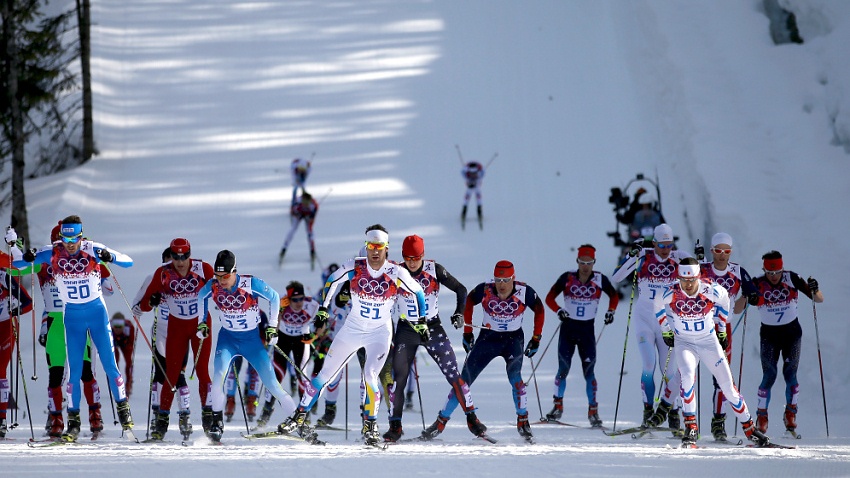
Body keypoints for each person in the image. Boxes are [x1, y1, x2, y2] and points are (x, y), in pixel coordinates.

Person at [277, 225, 426, 446]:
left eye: (379, 247)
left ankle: (371, 426)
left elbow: (418, 292)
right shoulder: (355, 266)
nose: (375, 252)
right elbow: (331, 282)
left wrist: (421, 321)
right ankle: (299, 417)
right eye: (371, 247)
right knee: (324, 374)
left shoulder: (397, 272)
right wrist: (322, 310)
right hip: (353, 329)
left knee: (370, 376)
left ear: (387, 248)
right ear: (366, 247)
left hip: (379, 333)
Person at [18, 215, 135, 441]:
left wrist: (110, 257)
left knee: (110, 366)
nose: (70, 244)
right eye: (65, 238)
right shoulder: (51, 252)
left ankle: (124, 412)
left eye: (74, 238)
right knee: (72, 373)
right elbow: (18, 266)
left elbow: (128, 261)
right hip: (71, 318)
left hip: (96, 315)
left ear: (81, 236)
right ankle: (73, 423)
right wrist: (26, 256)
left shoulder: (92, 249)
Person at [655, 258, 770, 447]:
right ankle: (691, 428)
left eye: (692, 279)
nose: (689, 285)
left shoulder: (711, 289)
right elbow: (657, 305)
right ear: (679, 278)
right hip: (685, 343)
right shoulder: (671, 291)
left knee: (729, 388)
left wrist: (722, 329)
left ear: (699, 277)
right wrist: (666, 329)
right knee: (687, 378)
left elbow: (725, 301)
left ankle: (751, 429)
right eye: (684, 280)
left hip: (709, 343)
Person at [427, 260, 544, 441]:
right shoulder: (486, 289)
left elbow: (540, 310)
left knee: (516, 380)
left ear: (513, 279)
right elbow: (468, 302)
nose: (501, 285)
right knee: (463, 382)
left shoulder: (524, 292)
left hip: (513, 340)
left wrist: (536, 338)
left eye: (506, 280)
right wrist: (467, 333)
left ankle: (523, 421)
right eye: (498, 280)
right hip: (488, 339)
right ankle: (441, 421)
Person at [384, 234, 485, 442]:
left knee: (453, 374)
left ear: (423, 255)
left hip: (432, 327)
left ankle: (472, 419)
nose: (412, 262)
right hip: (407, 329)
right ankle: (395, 426)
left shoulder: (434, 269)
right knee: (399, 378)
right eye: (408, 258)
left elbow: (461, 289)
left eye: (416, 258)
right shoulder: (396, 272)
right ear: (403, 256)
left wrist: (459, 312)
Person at [196, 250, 302, 444]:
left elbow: (275, 298)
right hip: (227, 339)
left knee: (272, 384)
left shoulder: (250, 283)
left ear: (234, 271)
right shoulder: (213, 286)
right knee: (218, 377)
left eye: (226, 276)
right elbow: (200, 297)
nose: (221, 281)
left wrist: (272, 327)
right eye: (217, 276)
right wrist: (202, 322)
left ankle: (300, 422)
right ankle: (217, 423)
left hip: (252, 341)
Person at [26, 223, 109, 437]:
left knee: (85, 371)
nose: (62, 249)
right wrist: (17, 249)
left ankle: (94, 414)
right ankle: (55, 418)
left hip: (77, 319)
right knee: (56, 374)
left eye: (66, 244)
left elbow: (106, 283)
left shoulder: (83, 260)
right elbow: (17, 266)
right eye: (58, 244)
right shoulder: (44, 263)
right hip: (55, 323)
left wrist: (103, 275)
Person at [611, 223, 689, 431]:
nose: (665, 249)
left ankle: (672, 411)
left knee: (669, 371)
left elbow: (704, 271)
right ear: (653, 243)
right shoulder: (643, 256)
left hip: (668, 321)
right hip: (645, 319)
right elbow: (616, 277)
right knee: (648, 366)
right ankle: (648, 411)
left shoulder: (678, 257)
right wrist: (631, 256)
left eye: (669, 244)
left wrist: (698, 256)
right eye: (661, 245)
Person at [133, 238, 214, 441]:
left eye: (184, 256)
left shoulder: (203, 268)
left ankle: (209, 420)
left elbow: (222, 288)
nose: (180, 261)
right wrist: (151, 302)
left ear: (190, 255)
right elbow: (143, 305)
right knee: (171, 374)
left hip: (200, 325)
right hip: (176, 327)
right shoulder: (163, 273)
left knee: (203, 372)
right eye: (176, 257)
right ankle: (161, 424)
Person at [544, 244, 619, 427]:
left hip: (587, 331)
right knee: (563, 369)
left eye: (589, 262)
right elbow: (549, 298)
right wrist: (559, 310)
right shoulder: (568, 277)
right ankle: (557, 407)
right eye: (582, 262)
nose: (585, 266)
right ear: (577, 261)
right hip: (568, 329)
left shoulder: (600, 279)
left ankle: (593, 412)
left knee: (589, 372)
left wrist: (611, 311)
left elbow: (614, 296)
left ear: (594, 262)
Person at [749, 250, 823, 435]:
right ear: (764, 270)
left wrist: (815, 288)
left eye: (777, 272)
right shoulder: (757, 283)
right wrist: (746, 295)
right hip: (769, 337)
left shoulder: (792, 278)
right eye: (770, 273)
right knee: (769, 376)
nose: (774, 277)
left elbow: (818, 299)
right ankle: (762, 416)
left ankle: (790, 414)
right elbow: (738, 310)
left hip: (792, 335)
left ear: (782, 268)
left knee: (791, 375)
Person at [696, 233, 758, 440]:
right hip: (697, 326)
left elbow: (752, 291)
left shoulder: (738, 271)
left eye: (727, 251)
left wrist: (748, 298)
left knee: (723, 378)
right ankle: (679, 418)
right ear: (712, 250)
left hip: (723, 328)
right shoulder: (702, 269)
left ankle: (718, 422)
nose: (722, 256)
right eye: (718, 251)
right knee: (686, 373)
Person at [133, 247, 192, 434]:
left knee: (179, 375)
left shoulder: (188, 276)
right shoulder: (155, 277)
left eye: (176, 261)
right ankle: (157, 417)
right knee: (160, 374)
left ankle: (185, 416)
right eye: (169, 262)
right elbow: (137, 305)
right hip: (161, 333)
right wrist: (149, 304)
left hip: (182, 332)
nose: (173, 265)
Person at [256, 281, 319, 426]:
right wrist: (280, 311)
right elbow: (275, 324)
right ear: (289, 299)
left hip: (301, 341)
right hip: (283, 339)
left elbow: (322, 323)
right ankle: (266, 411)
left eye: (301, 298)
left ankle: (305, 413)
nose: (298, 303)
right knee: (276, 376)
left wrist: (314, 337)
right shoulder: (282, 303)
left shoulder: (312, 305)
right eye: (295, 300)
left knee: (302, 375)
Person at [0, 264, 34, 438]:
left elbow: (28, 302)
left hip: (6, 326)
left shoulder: (4, 277)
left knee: (0, 371)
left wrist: (15, 311)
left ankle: (2, 419)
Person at [278, 192, 318, 268]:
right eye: (304, 202)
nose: (305, 204)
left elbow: (313, 217)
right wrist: (298, 214)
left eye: (307, 203)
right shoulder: (297, 202)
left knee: (310, 232)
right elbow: (292, 212)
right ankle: (284, 248)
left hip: (307, 216)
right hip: (298, 215)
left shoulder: (313, 205)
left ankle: (312, 250)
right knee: (292, 229)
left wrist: (309, 217)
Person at [111, 312, 136, 398]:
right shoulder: (108, 327)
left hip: (126, 343)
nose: (117, 328)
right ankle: (116, 384)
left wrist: (126, 345)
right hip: (114, 343)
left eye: (120, 325)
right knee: (114, 363)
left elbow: (131, 343)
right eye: (115, 325)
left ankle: (128, 383)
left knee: (129, 363)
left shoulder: (129, 328)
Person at [461, 161, 485, 229]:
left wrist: (476, 182)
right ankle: (464, 213)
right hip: (469, 189)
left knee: (479, 200)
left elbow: (483, 172)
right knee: (466, 200)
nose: (473, 175)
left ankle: (479, 213)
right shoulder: (466, 175)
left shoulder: (479, 175)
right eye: (471, 173)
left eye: (474, 173)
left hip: (477, 188)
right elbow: (462, 172)